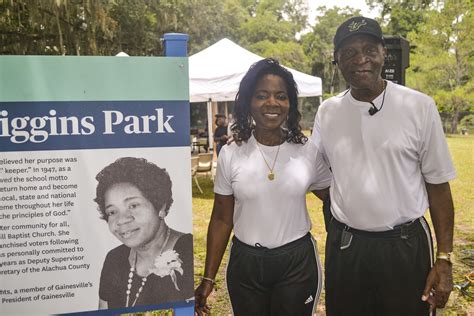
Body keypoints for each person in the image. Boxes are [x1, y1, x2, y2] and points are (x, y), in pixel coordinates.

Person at [312, 16, 456, 315]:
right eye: (349, 52)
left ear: (383, 54)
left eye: (369, 49)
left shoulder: (419, 106)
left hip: (405, 247)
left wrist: (443, 258)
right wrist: (348, 202)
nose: (361, 59)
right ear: (337, 61)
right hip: (347, 248)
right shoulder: (328, 112)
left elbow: (439, 187)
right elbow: (316, 172)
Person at [194, 58, 332, 316]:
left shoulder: (306, 150)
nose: (272, 103)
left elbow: (334, 199)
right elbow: (222, 218)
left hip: (297, 264)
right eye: (262, 95)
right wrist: (208, 278)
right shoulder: (231, 153)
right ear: (248, 102)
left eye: (281, 96)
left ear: (290, 104)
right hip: (246, 264)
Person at [94, 157, 194, 309]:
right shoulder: (114, 259)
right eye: (112, 211)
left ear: (160, 206)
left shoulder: (188, 252)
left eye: (133, 205)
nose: (121, 220)